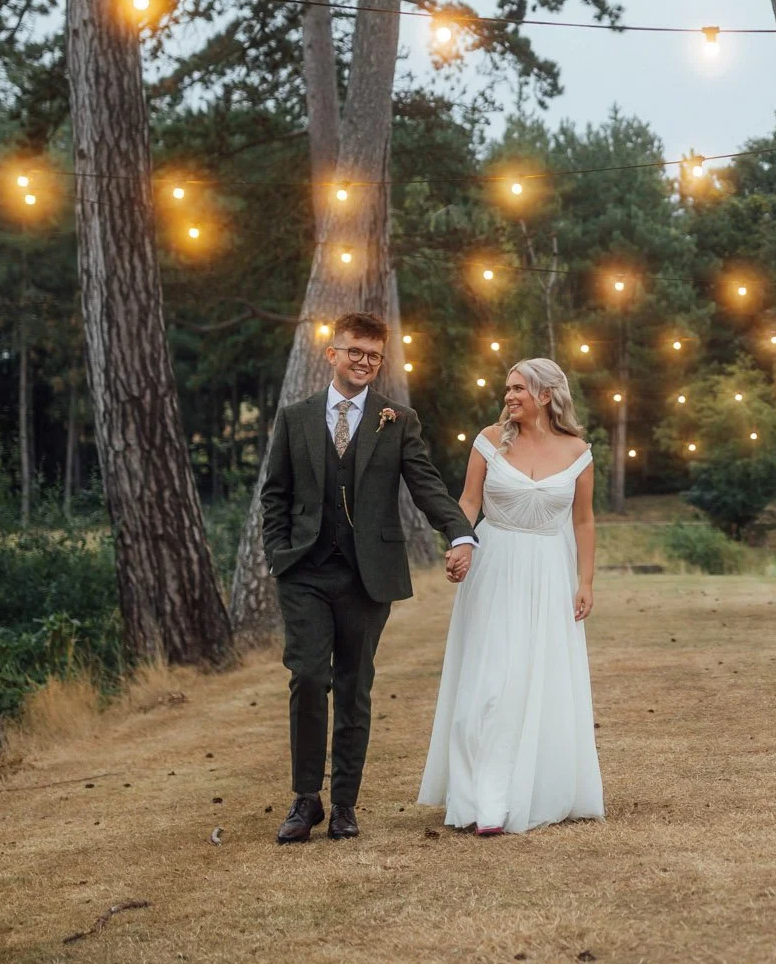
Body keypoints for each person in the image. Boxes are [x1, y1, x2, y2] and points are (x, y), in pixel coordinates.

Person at [258, 311, 477, 844]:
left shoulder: (397, 420)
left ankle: (344, 806)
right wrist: (277, 554)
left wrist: (461, 533)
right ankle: (305, 799)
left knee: (354, 688)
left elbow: (426, 485)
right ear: (332, 354)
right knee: (309, 678)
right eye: (354, 351)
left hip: (367, 577)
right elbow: (275, 494)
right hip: (304, 571)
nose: (364, 362)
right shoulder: (295, 416)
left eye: (374, 355)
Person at [418, 357, 604, 835]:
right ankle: (482, 797)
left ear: (546, 395)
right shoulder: (488, 439)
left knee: (537, 678)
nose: (509, 396)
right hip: (494, 566)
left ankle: (535, 787)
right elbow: (469, 501)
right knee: (491, 679)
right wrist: (460, 541)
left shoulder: (579, 451)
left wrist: (585, 582)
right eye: (507, 388)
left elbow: (583, 521)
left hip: (549, 571)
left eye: (519, 388)